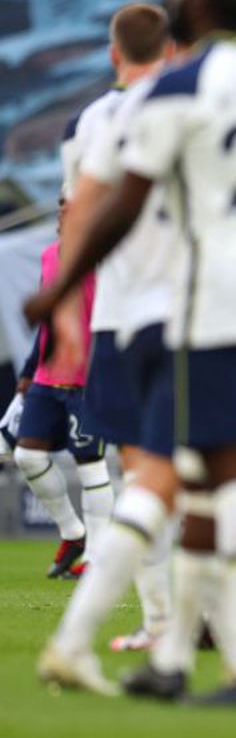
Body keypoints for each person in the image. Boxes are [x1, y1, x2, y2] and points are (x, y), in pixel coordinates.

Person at [27, 0, 236, 706]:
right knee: (195, 476)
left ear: (195, 5)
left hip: (208, 301)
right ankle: (174, 660)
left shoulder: (183, 88)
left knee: (215, 470)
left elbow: (123, 201)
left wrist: (59, 284)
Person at [52, 1, 176, 652]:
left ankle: (159, 623)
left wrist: (65, 314)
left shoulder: (94, 121)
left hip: (122, 315)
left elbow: (77, 225)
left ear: (113, 52)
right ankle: (205, 618)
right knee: (203, 474)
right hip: (198, 312)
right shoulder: (196, 103)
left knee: (143, 473)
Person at [13, 205, 104, 580]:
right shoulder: (50, 255)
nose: (63, 213)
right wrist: (29, 369)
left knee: (91, 466)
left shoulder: (104, 260)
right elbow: (49, 320)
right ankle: (73, 532)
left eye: (71, 207)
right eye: (63, 207)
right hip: (48, 378)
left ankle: (97, 558)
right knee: (26, 456)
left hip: (88, 380)